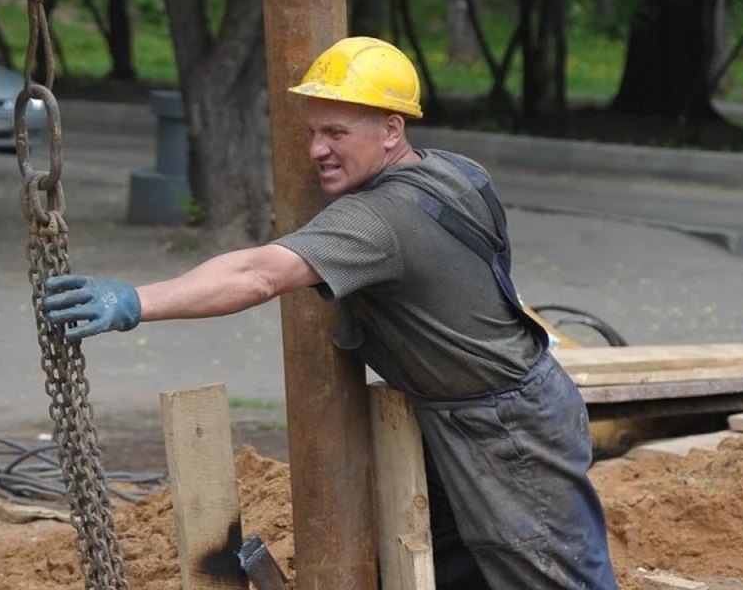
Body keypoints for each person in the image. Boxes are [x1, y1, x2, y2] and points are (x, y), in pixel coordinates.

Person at [41, 36, 619, 590]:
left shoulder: (375, 221)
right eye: (314, 131)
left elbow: (259, 274)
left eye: (337, 133)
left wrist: (136, 301)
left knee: (555, 575)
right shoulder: (458, 172)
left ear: (393, 130)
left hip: (503, 429)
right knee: (456, 569)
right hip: (484, 409)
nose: (318, 149)